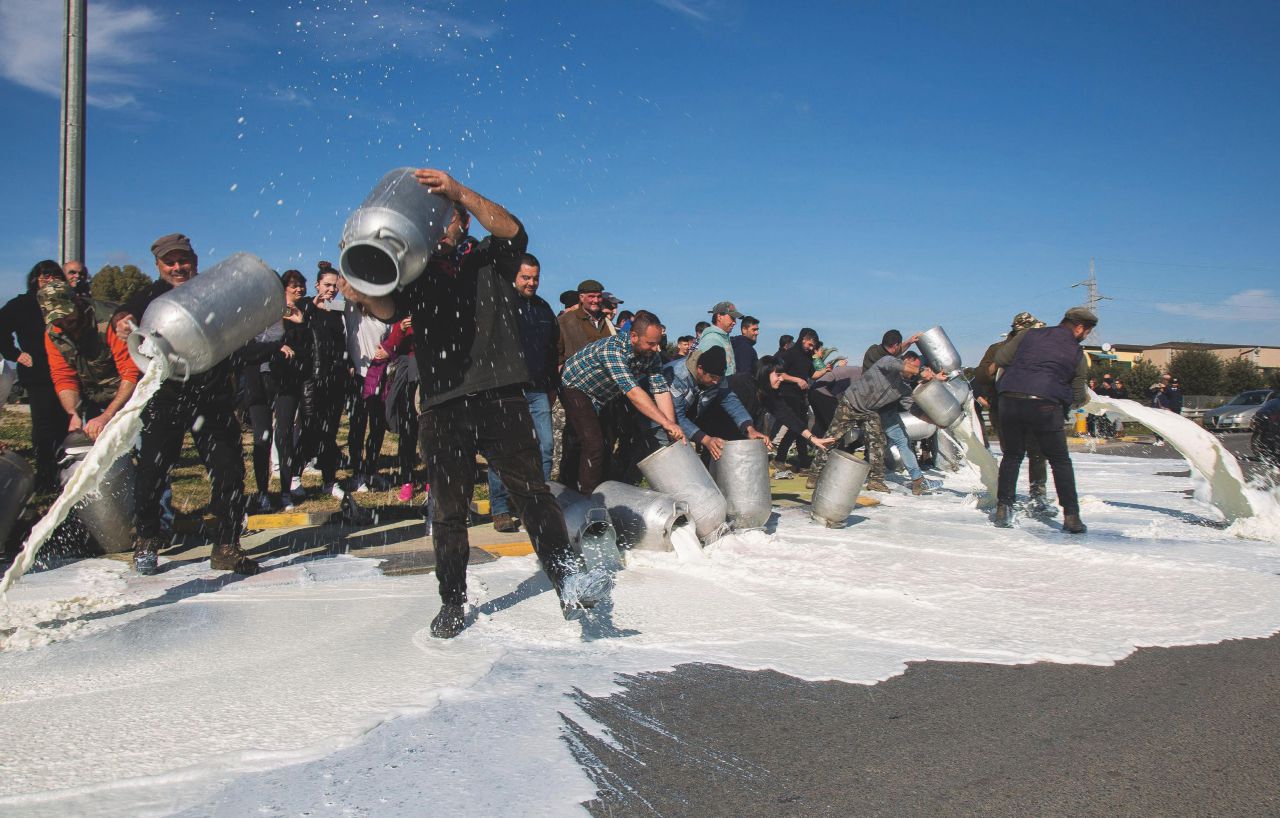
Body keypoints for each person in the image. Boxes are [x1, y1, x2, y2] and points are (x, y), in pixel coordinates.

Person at [339, 167, 608, 639]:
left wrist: (458, 191)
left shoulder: (487, 258)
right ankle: (452, 600)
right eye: (433, 219)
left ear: (460, 221)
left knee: (532, 495)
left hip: (500, 394)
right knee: (448, 509)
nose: (440, 226)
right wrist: (362, 293)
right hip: (442, 405)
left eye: (447, 217)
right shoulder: (415, 271)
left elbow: (513, 229)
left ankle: (566, 578)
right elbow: (389, 310)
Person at [115, 233, 257, 575]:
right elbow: (124, 315)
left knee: (229, 472)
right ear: (159, 265)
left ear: (194, 260)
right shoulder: (149, 296)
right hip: (166, 398)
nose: (178, 267)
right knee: (152, 472)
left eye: (184, 260)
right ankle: (147, 540)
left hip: (212, 399)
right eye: (170, 262)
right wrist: (120, 320)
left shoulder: (210, 290)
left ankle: (226, 545)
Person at [993, 307, 1096, 533]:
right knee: (1059, 460)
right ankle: (1072, 517)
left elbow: (1000, 358)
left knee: (1012, 455)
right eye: (1087, 332)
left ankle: (1003, 508)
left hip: (1009, 398)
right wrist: (1077, 400)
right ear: (1079, 328)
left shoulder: (1028, 334)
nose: (1085, 336)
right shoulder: (1078, 354)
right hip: (1045, 405)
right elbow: (1078, 395)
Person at [561, 309, 685, 494]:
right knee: (593, 443)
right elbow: (634, 393)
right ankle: (587, 500)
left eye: (657, 344)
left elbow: (660, 390)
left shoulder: (652, 356)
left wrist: (671, 427)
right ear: (634, 336)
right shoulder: (613, 350)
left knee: (604, 443)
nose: (655, 349)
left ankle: (594, 488)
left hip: (603, 394)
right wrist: (665, 422)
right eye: (650, 343)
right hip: (576, 387)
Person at [486, 253, 559, 533]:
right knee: (504, 450)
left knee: (544, 447)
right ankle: (501, 507)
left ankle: (533, 505)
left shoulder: (543, 309)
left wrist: (552, 385)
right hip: (506, 390)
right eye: (525, 277)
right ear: (514, 277)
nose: (531, 283)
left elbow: (552, 349)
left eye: (535, 278)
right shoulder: (501, 304)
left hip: (539, 389)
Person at [807, 352, 943, 495]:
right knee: (832, 439)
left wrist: (936, 421)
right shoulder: (887, 362)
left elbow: (913, 408)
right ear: (906, 361)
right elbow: (898, 364)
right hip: (851, 404)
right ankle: (814, 475)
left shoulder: (904, 388)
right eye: (912, 367)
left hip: (869, 412)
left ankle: (875, 481)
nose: (912, 372)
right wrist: (922, 371)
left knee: (878, 443)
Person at [37, 279, 140, 439]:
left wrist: (107, 416)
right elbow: (63, 377)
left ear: (77, 301)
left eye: (67, 314)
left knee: (140, 452)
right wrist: (72, 413)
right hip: (95, 400)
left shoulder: (110, 321)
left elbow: (131, 373)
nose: (64, 322)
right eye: (57, 319)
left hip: (133, 399)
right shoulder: (53, 333)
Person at [0, 261, 72, 489]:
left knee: (65, 425)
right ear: (35, 279)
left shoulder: (66, 301)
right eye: (44, 276)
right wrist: (15, 354)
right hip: (38, 374)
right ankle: (44, 474)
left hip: (68, 373)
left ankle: (65, 474)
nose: (49, 280)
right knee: (43, 427)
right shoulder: (22, 304)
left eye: (54, 276)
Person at [291, 263, 348, 501]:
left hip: (335, 378)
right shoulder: (305, 306)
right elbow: (298, 328)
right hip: (312, 380)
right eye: (327, 285)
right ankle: (294, 476)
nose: (331, 290)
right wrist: (313, 307)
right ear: (317, 285)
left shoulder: (338, 311)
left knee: (329, 431)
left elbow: (340, 345)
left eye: (335, 286)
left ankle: (329, 480)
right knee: (309, 430)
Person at [661, 346, 769, 460]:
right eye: (712, 377)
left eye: (719, 377)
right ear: (700, 369)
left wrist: (749, 428)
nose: (716, 381)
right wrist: (706, 439)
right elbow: (675, 415)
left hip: (682, 422)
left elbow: (730, 400)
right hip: (658, 421)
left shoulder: (717, 378)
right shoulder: (677, 376)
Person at [556, 278, 615, 485]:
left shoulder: (607, 323)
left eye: (599, 296)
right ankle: (573, 487)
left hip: (603, 390)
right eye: (591, 296)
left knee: (602, 439)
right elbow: (557, 354)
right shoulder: (566, 321)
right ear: (581, 298)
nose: (596, 300)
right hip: (575, 388)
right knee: (582, 440)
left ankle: (600, 485)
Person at [272, 270, 309, 509]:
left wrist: (302, 323)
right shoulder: (275, 312)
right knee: (284, 429)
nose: (298, 290)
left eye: (301, 286)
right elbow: (268, 340)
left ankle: (295, 473)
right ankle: (284, 482)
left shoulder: (304, 311)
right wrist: (280, 345)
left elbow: (308, 344)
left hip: (303, 377)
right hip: (281, 379)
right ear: (284, 288)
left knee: (304, 426)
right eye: (293, 286)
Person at [775, 327, 820, 468]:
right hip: (788, 394)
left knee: (802, 427)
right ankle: (780, 458)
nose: (811, 348)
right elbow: (779, 374)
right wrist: (797, 380)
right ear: (803, 339)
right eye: (810, 344)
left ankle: (803, 460)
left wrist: (826, 370)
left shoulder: (807, 356)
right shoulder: (790, 354)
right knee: (797, 427)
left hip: (800, 396)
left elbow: (812, 375)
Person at [694, 301, 742, 375]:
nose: (735, 322)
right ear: (719, 317)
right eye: (732, 318)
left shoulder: (723, 337)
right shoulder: (711, 339)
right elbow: (708, 376)